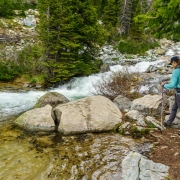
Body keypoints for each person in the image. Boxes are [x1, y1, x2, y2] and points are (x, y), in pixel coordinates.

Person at [161, 56, 180, 135]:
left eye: (172, 63)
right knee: (174, 108)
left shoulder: (176, 71)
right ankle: (168, 123)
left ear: (174, 62)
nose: (172, 65)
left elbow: (172, 84)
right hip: (178, 93)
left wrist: (164, 85)